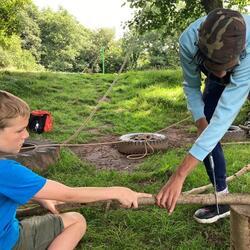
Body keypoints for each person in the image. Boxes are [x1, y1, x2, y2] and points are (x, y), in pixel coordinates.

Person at [0, 90, 152, 250]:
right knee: (76, 220)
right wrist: (118, 191)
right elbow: (69, 194)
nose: (26, 135)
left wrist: (39, 196)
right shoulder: (7, 171)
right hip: (7, 242)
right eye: (19, 130)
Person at [156, 8, 250, 224]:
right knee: (206, 125)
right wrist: (200, 121)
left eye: (225, 67)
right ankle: (221, 199)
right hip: (217, 69)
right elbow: (191, 86)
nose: (221, 74)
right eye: (215, 66)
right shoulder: (188, 41)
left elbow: (224, 117)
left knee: (213, 127)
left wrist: (179, 174)